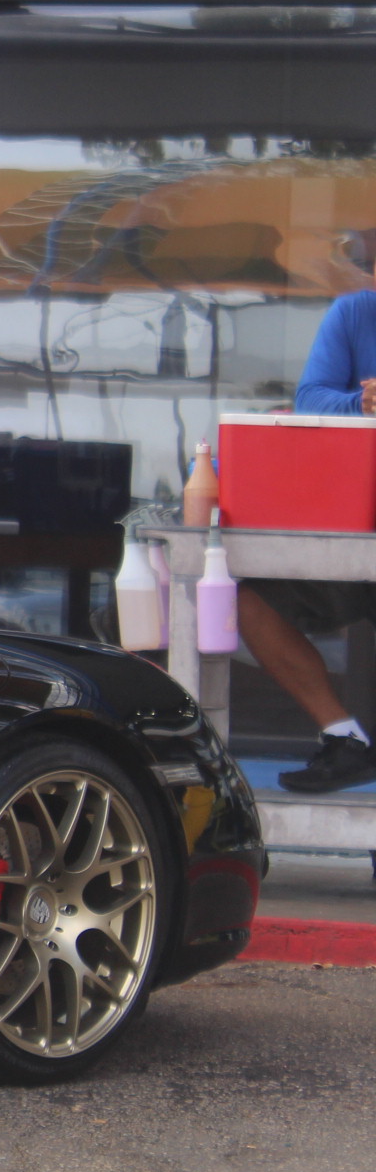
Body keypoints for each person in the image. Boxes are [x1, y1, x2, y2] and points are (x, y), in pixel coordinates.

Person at [249, 249, 376, 793]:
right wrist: (361, 404)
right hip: (345, 525)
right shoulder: (354, 313)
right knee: (244, 596)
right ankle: (344, 737)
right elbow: (309, 399)